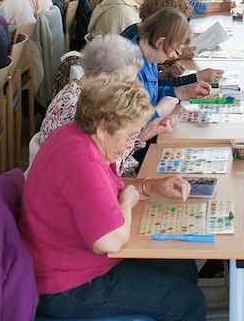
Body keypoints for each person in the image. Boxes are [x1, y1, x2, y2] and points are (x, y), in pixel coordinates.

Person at [21, 74, 206, 321]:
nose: (130, 143)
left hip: (74, 263)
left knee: (181, 267)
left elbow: (109, 191)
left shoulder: (78, 136)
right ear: (102, 127)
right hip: (68, 286)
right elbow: (108, 242)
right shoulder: (81, 160)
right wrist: (127, 203)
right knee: (186, 300)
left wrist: (150, 187)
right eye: (128, 136)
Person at [29, 35, 175, 169]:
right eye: (127, 83)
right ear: (104, 78)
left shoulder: (85, 96)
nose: (131, 89)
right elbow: (102, 170)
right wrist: (145, 131)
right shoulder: (76, 109)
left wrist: (148, 131)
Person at [130, 8, 211, 106]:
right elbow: (138, 112)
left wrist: (184, 91)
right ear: (160, 43)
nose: (174, 56)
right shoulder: (131, 70)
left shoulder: (150, 56)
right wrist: (160, 111)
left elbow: (153, 94)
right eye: (175, 50)